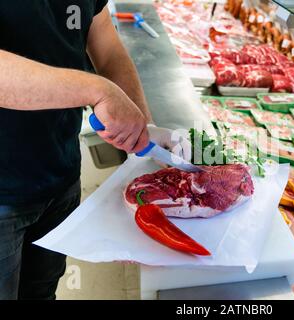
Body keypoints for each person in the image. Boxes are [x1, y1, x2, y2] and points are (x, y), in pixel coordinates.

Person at [0, 1, 191, 300]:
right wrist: (98, 90)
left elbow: (107, 47)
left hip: (59, 176)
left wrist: (143, 123)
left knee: (41, 293)